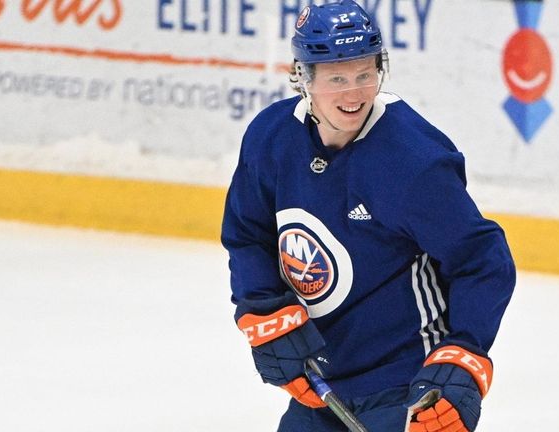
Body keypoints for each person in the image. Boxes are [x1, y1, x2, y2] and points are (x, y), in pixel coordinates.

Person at [221, 1, 516, 430]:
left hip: (405, 384)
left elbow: (482, 258)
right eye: (337, 78)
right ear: (303, 77)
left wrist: (464, 353)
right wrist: (265, 306)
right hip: (320, 384)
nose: (354, 93)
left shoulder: (413, 162)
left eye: (365, 75)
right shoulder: (271, 139)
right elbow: (248, 233)